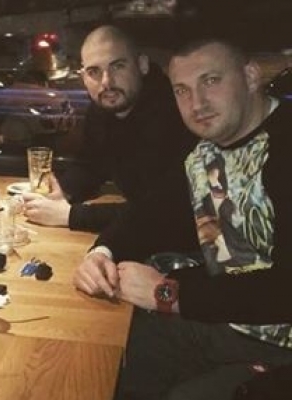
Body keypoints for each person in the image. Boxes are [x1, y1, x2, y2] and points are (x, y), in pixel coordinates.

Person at [94, 38, 292, 399]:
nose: (196, 103)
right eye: (182, 90)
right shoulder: (202, 154)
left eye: (211, 81)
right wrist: (101, 253)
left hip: (280, 345)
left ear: (250, 76)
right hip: (223, 322)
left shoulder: (283, 144)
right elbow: (149, 213)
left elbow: (284, 288)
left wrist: (168, 294)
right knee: (105, 353)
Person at [27, 25, 199, 285]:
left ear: (142, 65)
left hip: (185, 253)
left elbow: (160, 210)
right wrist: (62, 191)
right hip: (139, 236)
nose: (106, 82)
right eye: (94, 72)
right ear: (83, 76)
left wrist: (70, 216)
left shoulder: (174, 114)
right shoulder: (103, 109)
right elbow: (90, 164)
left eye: (117, 66)